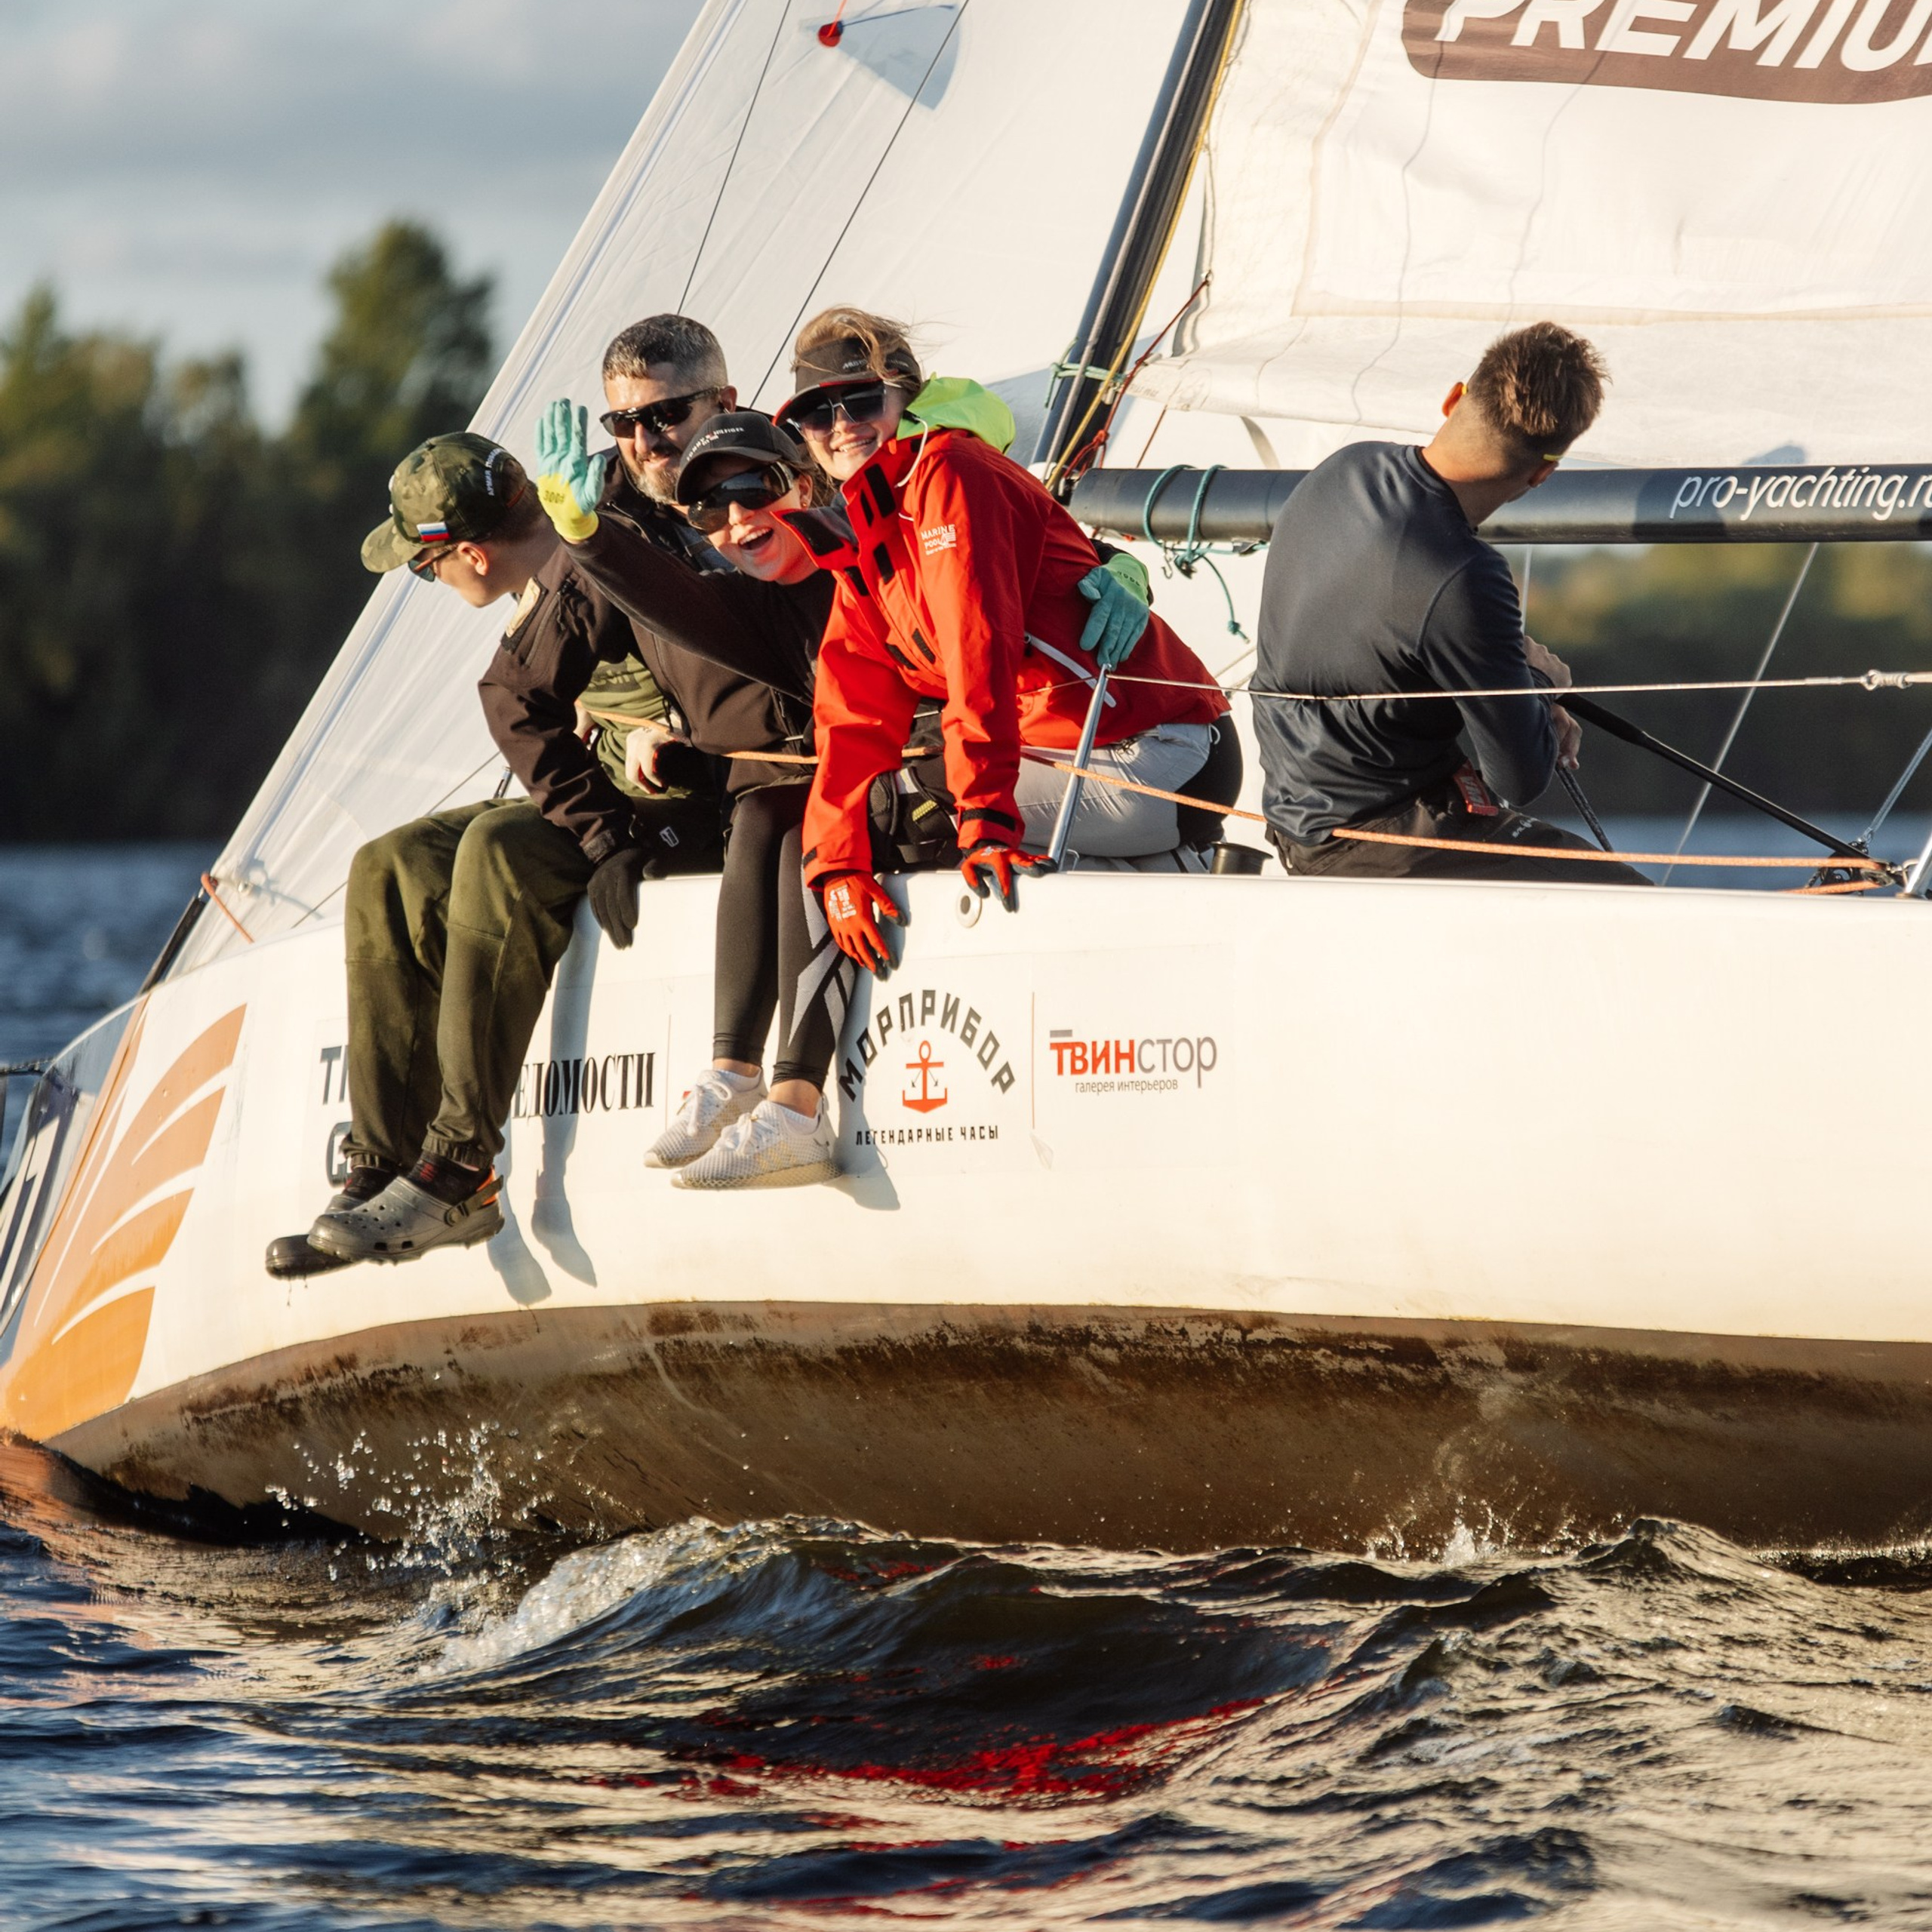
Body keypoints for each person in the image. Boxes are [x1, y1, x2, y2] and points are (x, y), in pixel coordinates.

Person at [533, 364, 1164, 1186]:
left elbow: (1018, 564)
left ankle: (794, 1096)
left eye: (754, 488)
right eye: (708, 510)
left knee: (823, 817)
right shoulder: (778, 594)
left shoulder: (902, 519)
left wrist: (1122, 566)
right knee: (779, 818)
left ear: (800, 480)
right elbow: (680, 601)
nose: (735, 518)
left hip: (1069, 757)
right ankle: (742, 1073)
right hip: (941, 771)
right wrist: (585, 536)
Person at [265, 432, 724, 1278]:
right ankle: (379, 1165)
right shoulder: (542, 578)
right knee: (387, 864)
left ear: (470, 552)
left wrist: (622, 807)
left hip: (685, 807)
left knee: (498, 845)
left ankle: (459, 1168)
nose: (429, 581)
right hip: (611, 796)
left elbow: (708, 690)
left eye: (423, 567)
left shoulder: (601, 553)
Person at [772, 307, 1240, 982]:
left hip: (1165, 751)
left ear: (904, 396)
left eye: (861, 399)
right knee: (849, 826)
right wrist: (840, 865)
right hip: (1080, 754)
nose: (840, 424)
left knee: (911, 807)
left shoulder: (951, 473)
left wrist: (986, 818)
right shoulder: (868, 532)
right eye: (818, 412)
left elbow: (976, 650)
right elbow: (852, 711)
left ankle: (794, 1084)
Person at [1254, 321, 1647, 886]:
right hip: (1384, 844)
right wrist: (1539, 683)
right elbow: (1520, 777)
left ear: (1453, 399)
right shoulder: (1466, 574)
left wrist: (1514, 677)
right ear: (1543, 473)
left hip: (1302, 827)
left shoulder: (1344, 469)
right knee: (1630, 900)